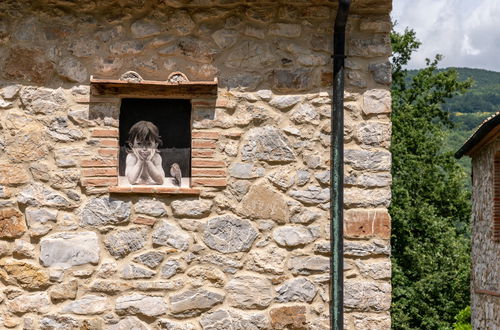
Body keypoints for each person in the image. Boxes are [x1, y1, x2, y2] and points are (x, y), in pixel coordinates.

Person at [125, 121, 165, 185]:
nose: (144, 149)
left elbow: (161, 180)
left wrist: (148, 161)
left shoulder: (156, 157)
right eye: (139, 144)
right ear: (132, 145)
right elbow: (131, 180)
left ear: (155, 146)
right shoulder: (131, 157)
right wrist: (140, 161)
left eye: (149, 144)